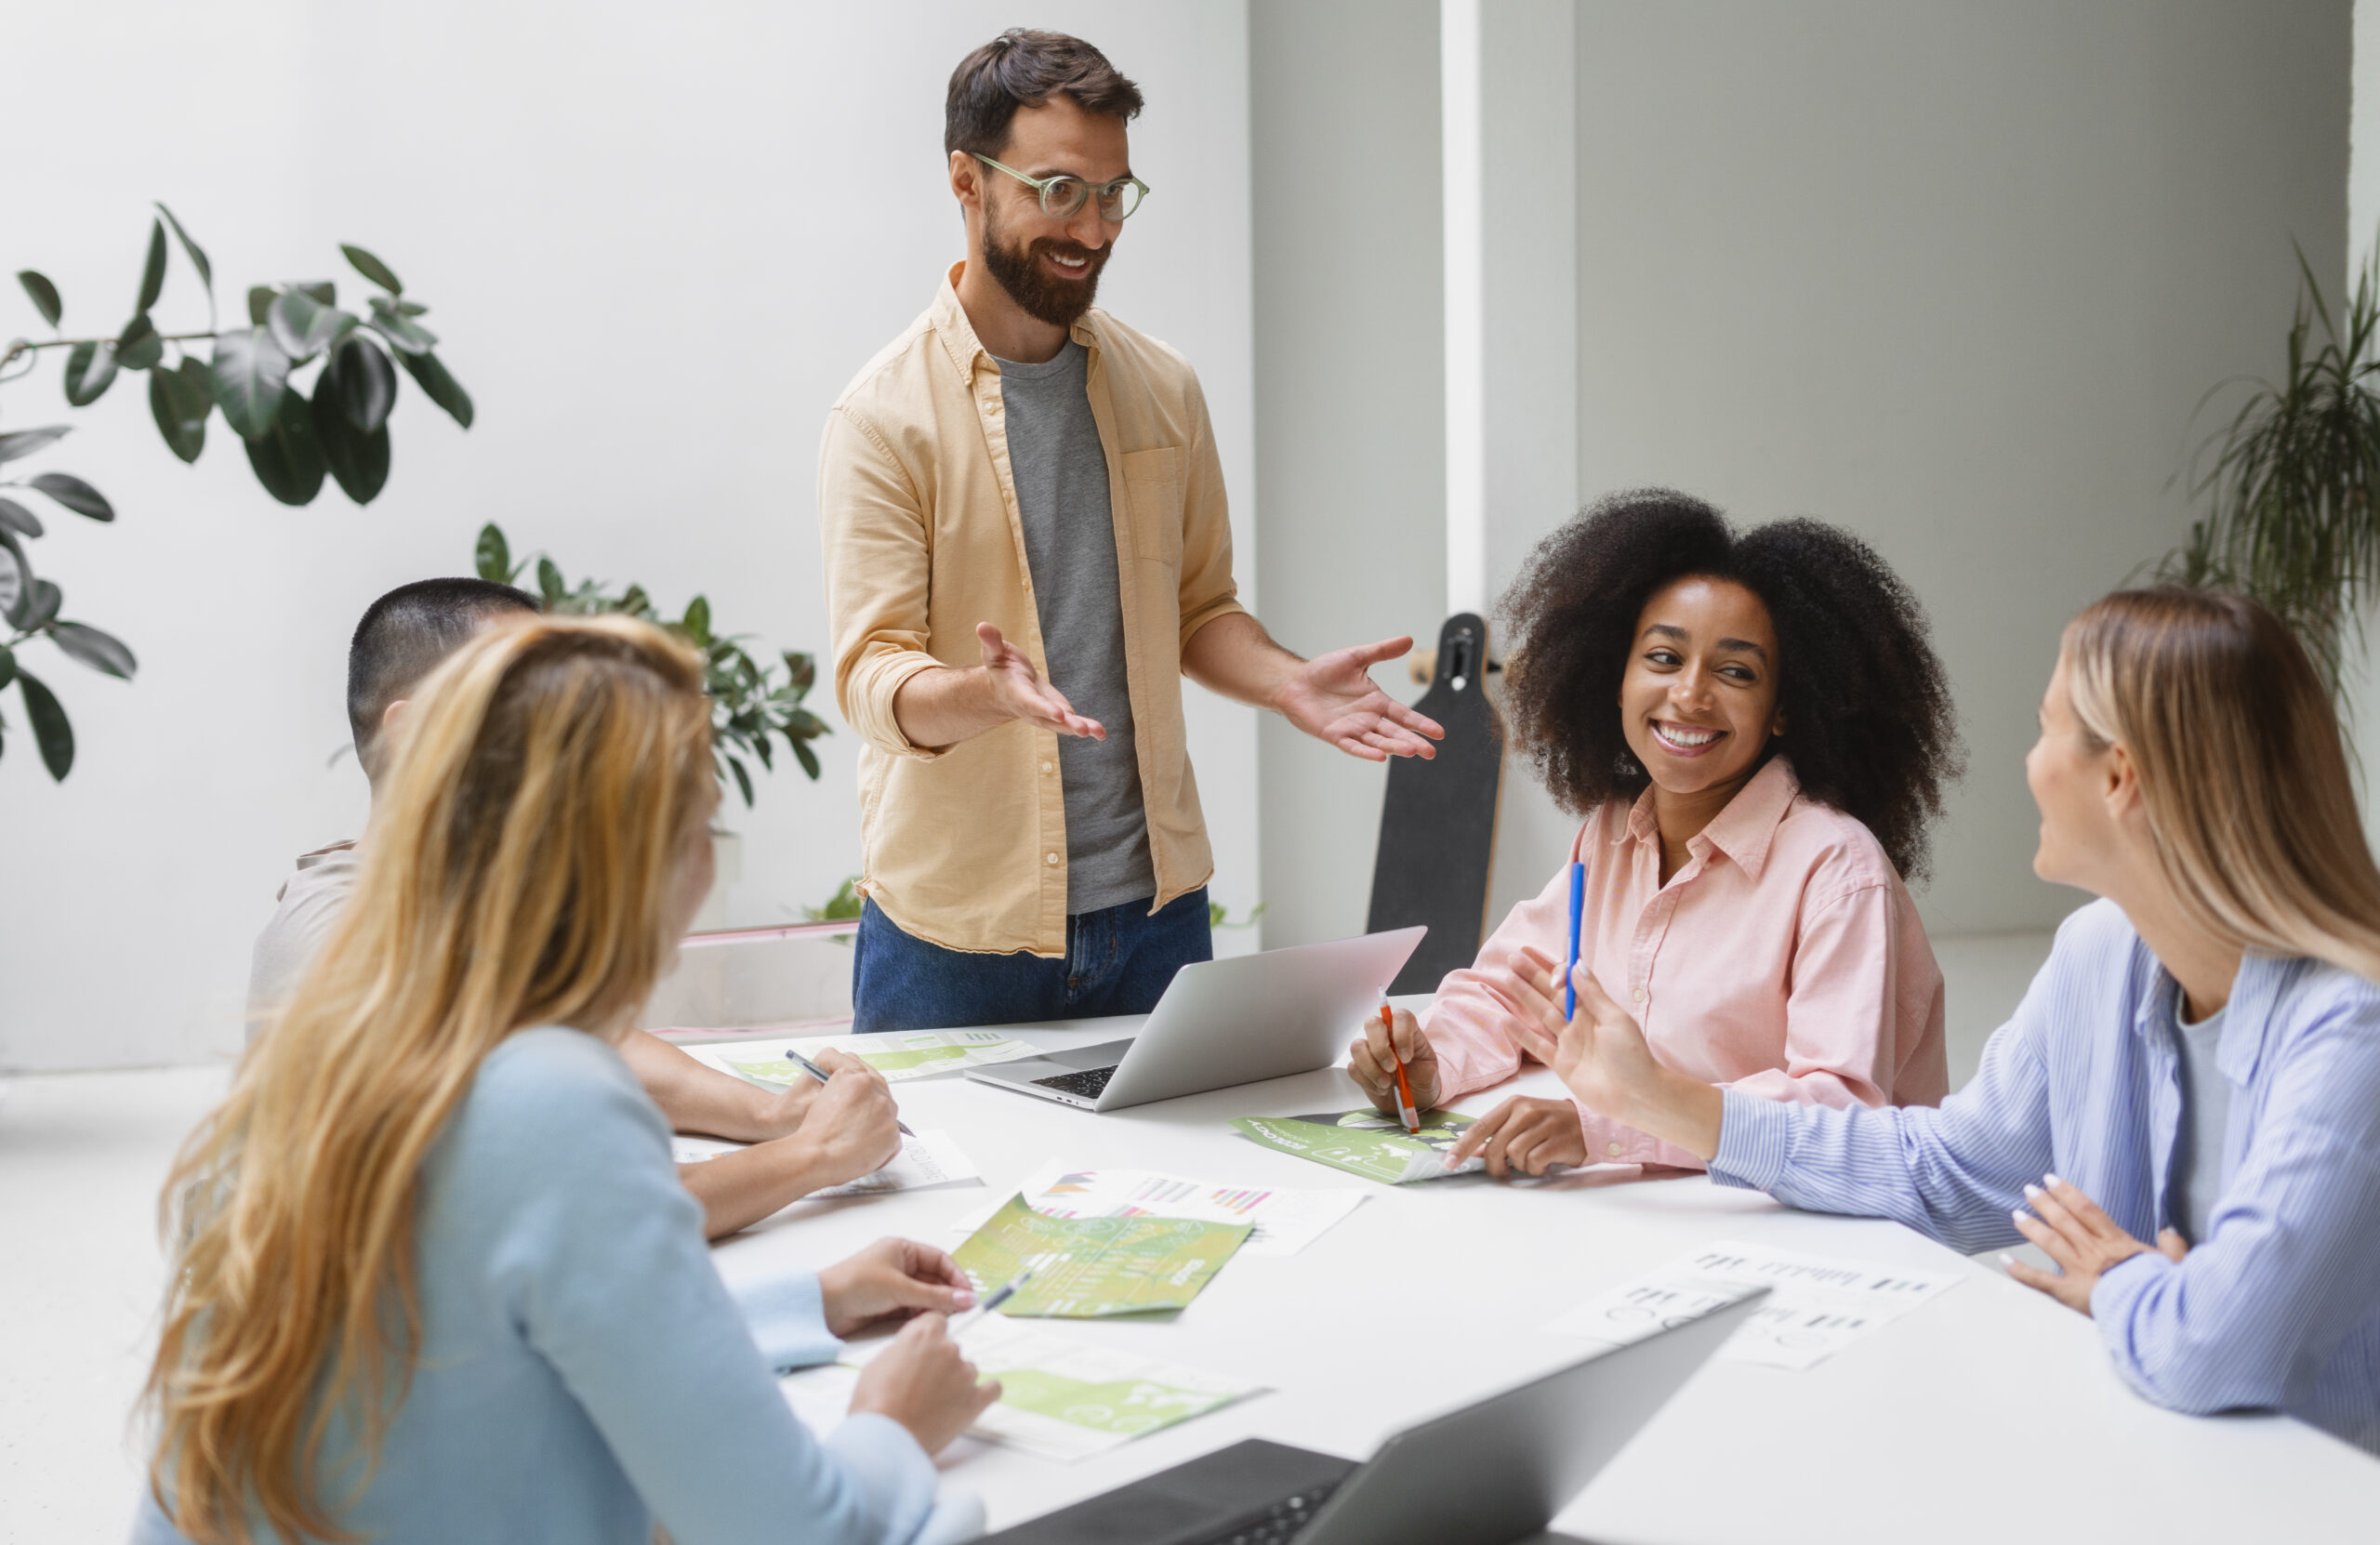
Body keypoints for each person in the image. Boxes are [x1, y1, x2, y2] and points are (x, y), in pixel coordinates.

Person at [139, 617, 999, 1545]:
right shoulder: (555, 1102)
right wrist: (892, 1425)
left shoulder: (353, 1037)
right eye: (702, 820)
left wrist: (813, 1301)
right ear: (634, 859)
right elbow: (801, 1530)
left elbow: (499, 1344)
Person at [1503, 587, 2380, 1450]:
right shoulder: (2098, 956)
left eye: (2046, 729)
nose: (2029, 762)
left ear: (2120, 779)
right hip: (2139, 1457)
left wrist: (2118, 1281)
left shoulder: (2355, 1032)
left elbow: (2216, 1349)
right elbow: (1948, 1173)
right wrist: (1661, 1103)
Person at [820, 28, 1443, 1034]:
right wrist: (980, 695)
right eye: (1058, 189)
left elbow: (1197, 608)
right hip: (956, 936)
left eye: (1113, 194)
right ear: (967, 182)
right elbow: (871, 679)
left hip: (1154, 916)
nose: (1095, 228)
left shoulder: (1163, 387)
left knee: (1175, 1190)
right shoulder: (881, 417)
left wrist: (1286, 682)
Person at [249, 578, 900, 1239]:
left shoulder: (445, 900)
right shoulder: (342, 948)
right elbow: (585, 1214)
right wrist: (815, 1156)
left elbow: (582, 1038)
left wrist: (775, 1117)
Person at [1347, 491, 1960, 1175]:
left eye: (1735, 671)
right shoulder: (1611, 833)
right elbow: (1505, 993)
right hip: (1652, 1223)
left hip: (1811, 1242)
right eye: (1665, 658)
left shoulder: (1839, 871)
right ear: (1615, 678)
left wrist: (1609, 1128)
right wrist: (1430, 1063)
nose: (1691, 695)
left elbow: (1839, 1113)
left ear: (1784, 708)